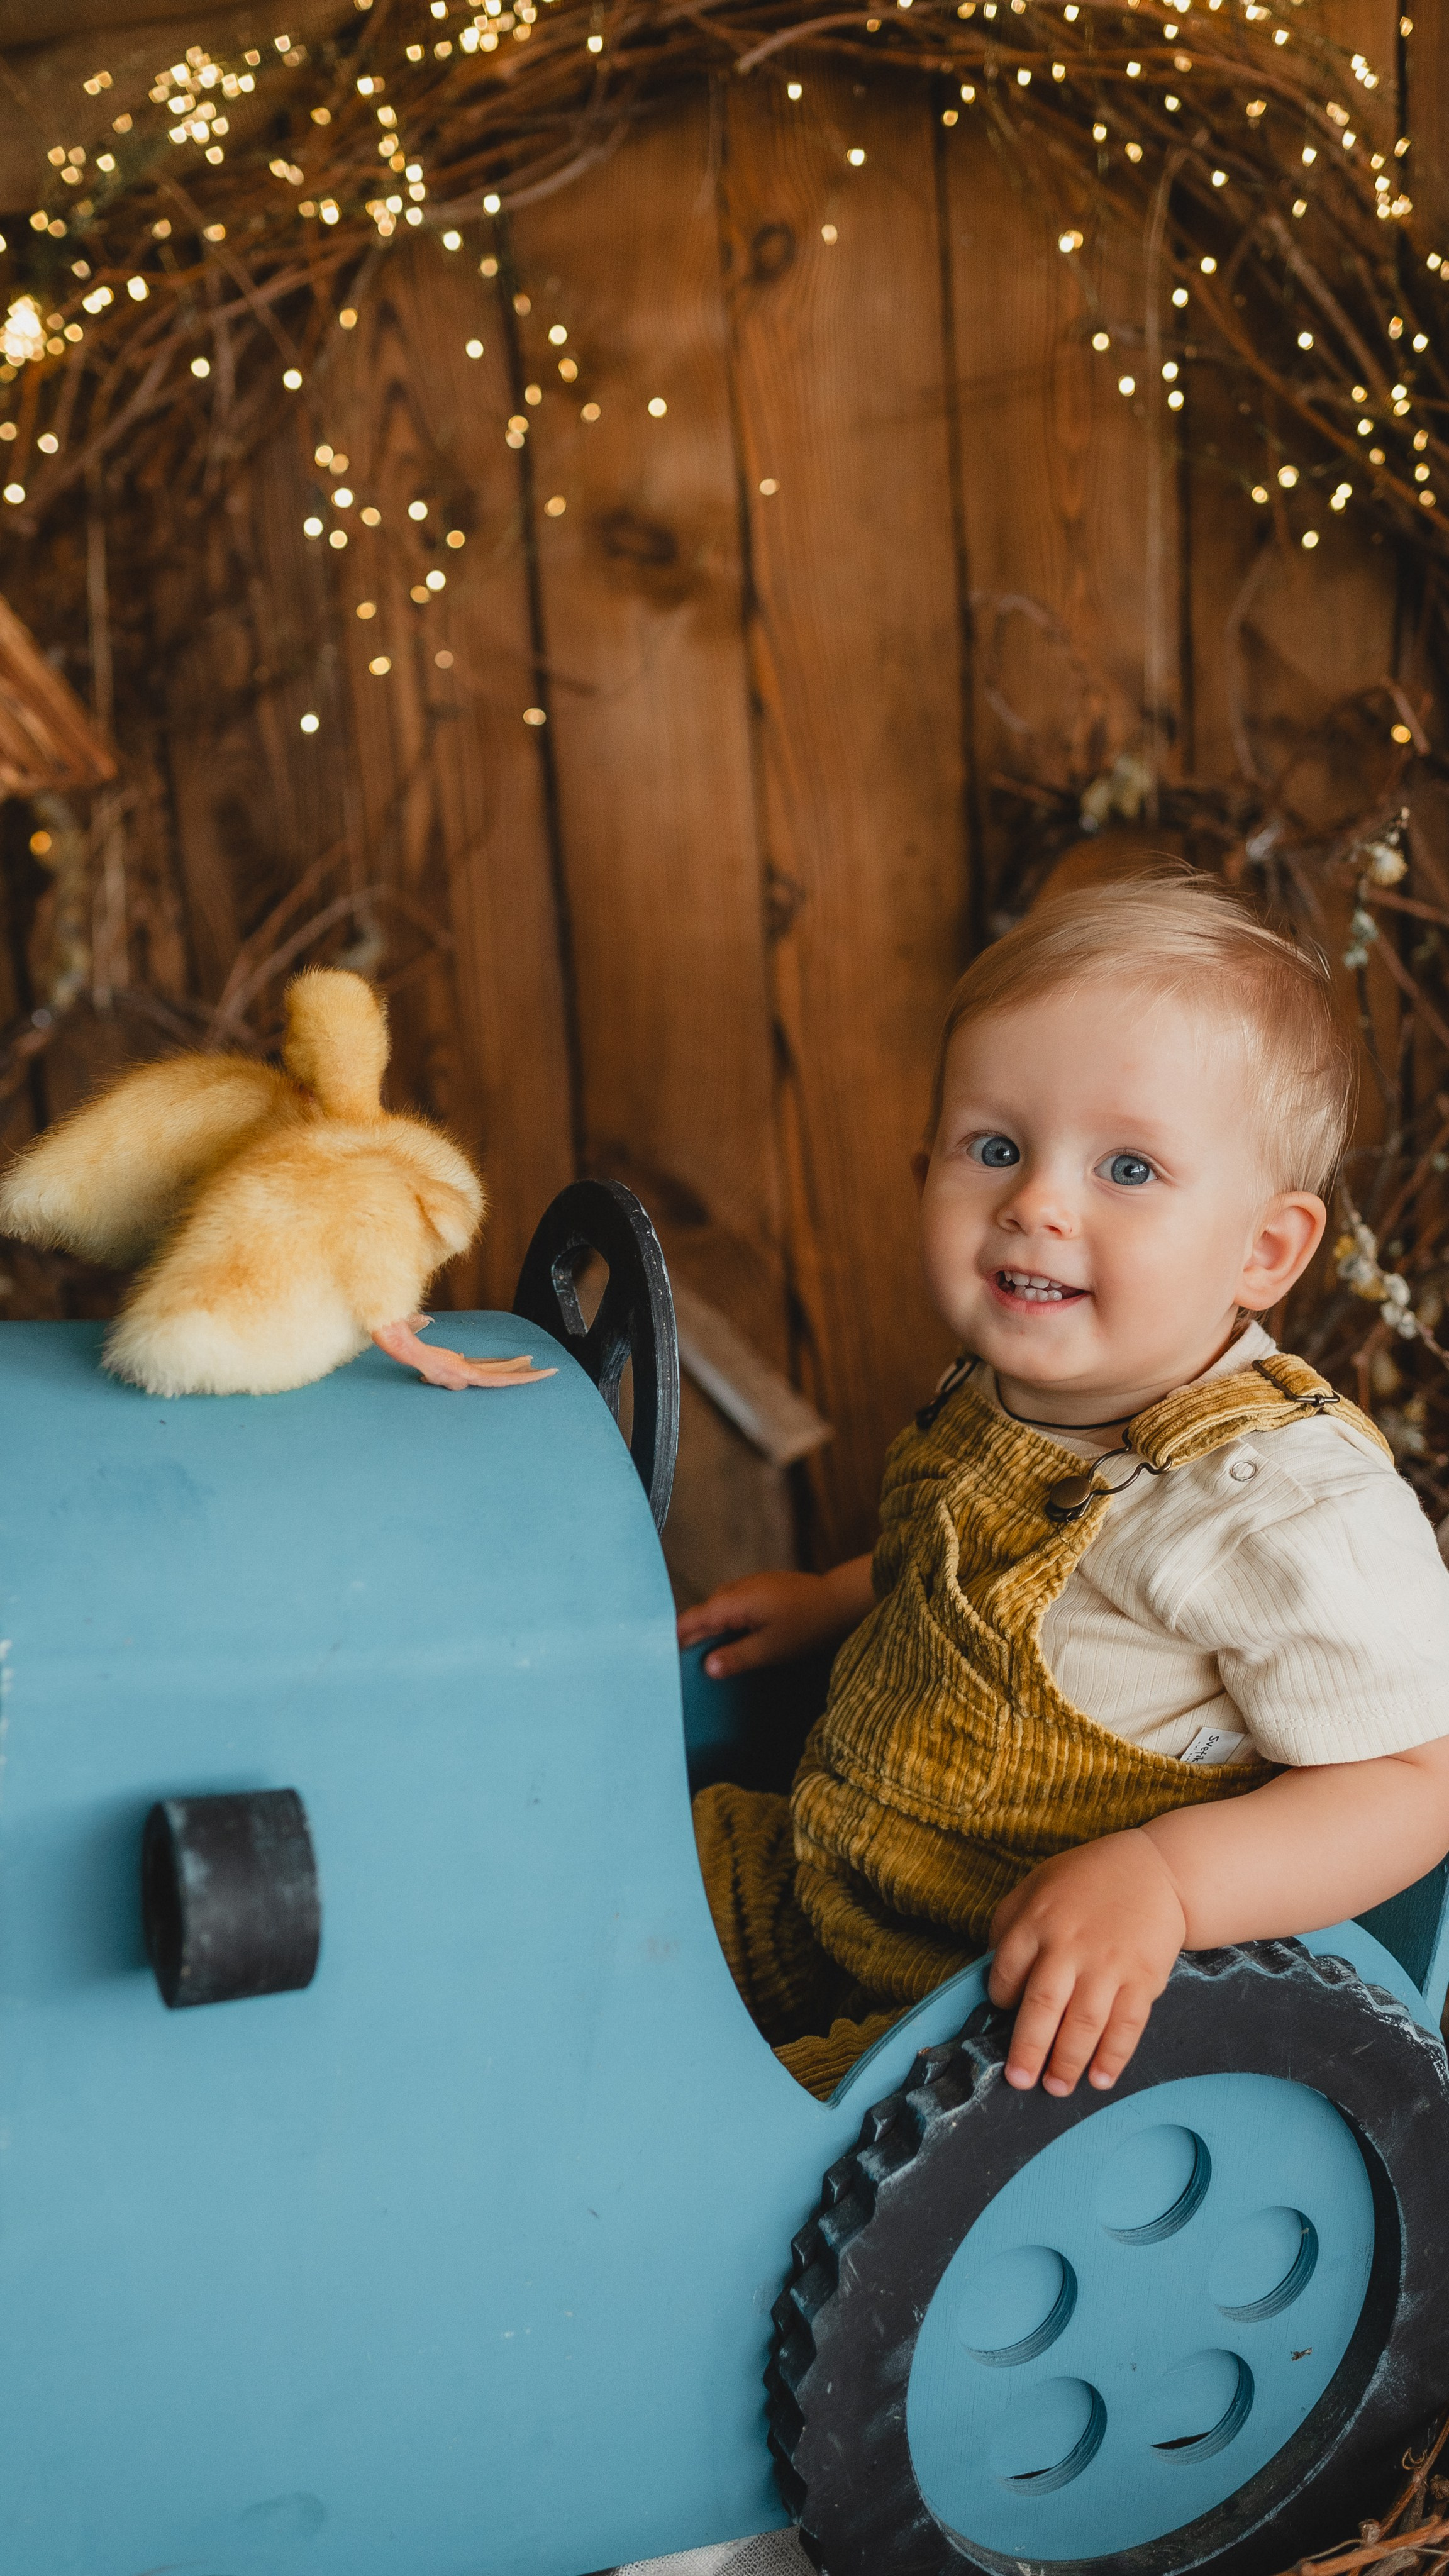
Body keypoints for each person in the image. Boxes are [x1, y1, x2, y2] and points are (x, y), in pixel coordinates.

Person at [679, 876, 1449, 2103]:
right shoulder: (1011, 1383)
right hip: (826, 1867)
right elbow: (979, 1563)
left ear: (1264, 1249)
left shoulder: (1280, 1507)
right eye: (996, 1147)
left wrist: (1169, 1877)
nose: (1036, 1202)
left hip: (1002, 2008)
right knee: (600, 1892)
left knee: (706, 2144)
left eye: (1129, 1167)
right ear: (921, 1165)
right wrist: (841, 1594)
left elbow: (1416, 1783)